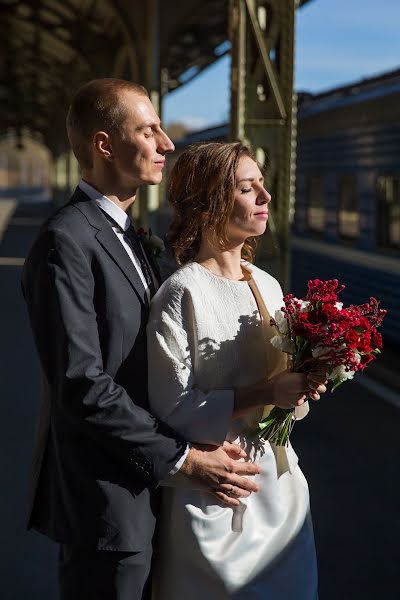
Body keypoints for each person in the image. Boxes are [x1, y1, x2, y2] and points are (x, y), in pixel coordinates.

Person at [21, 80, 262, 600]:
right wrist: (186, 459)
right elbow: (81, 384)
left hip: (151, 496)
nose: (167, 144)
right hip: (108, 506)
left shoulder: (128, 235)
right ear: (105, 145)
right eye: (149, 131)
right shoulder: (67, 241)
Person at [147, 142, 327, 599]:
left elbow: (281, 394)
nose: (265, 197)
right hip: (218, 493)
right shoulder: (180, 293)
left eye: (262, 184)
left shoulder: (265, 283)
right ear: (209, 205)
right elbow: (171, 408)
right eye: (248, 188)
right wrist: (265, 390)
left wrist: (305, 383)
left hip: (280, 492)